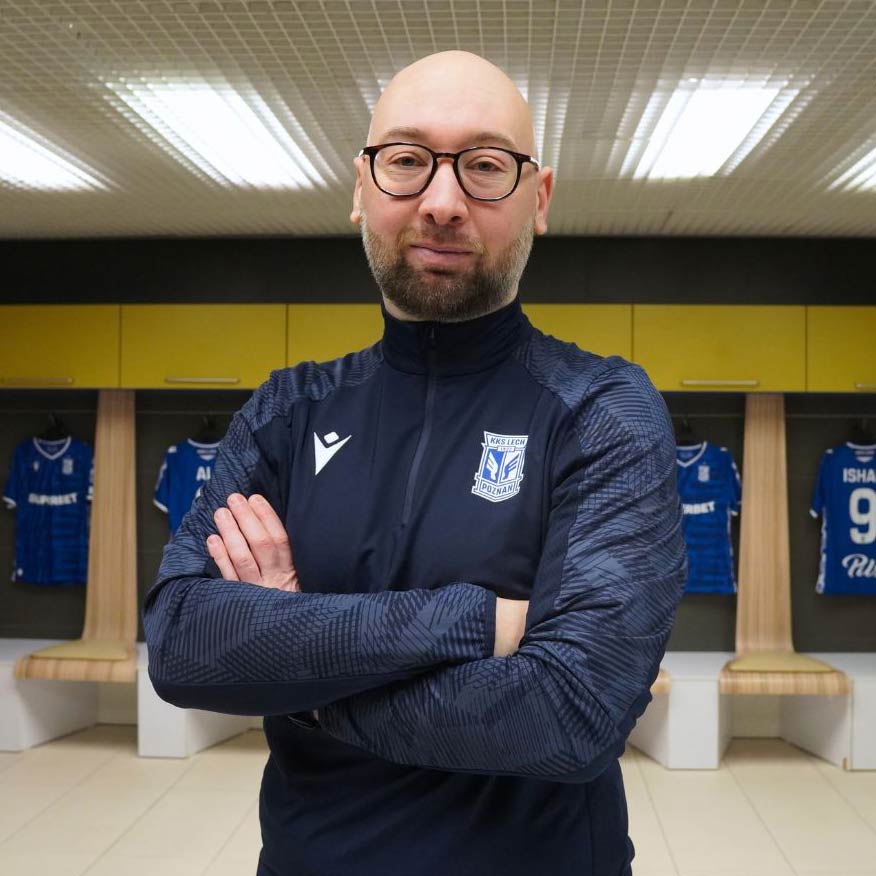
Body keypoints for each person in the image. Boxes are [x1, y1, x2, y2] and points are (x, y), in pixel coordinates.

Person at [143, 50, 686, 876]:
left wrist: (299, 673)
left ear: (538, 198)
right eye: (406, 160)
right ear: (360, 187)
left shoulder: (602, 409)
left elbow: (574, 712)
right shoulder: (287, 411)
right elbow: (183, 646)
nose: (442, 202)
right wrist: (480, 621)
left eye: (485, 166)